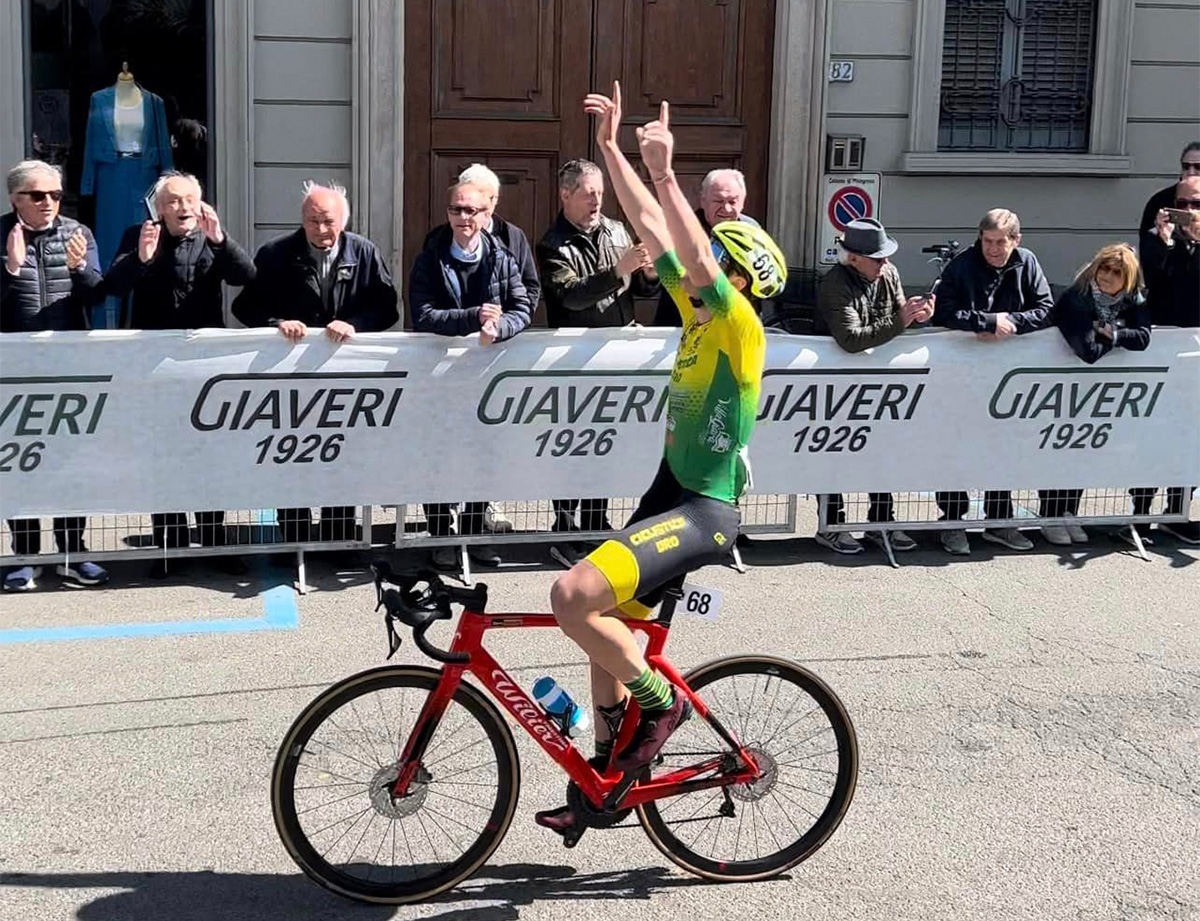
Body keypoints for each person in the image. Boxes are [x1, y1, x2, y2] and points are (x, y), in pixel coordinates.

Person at [535, 83, 787, 838]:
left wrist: (669, 172)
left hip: (704, 509)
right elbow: (650, 225)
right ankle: (605, 779)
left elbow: (686, 241)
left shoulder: (738, 324)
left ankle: (661, 704)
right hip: (668, 492)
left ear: (735, 279)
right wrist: (613, 151)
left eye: (709, 261)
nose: (690, 267)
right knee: (601, 630)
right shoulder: (698, 308)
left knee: (571, 597)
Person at [104, 170, 256, 577]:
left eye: (189, 199)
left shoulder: (210, 237)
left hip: (204, 368)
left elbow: (246, 276)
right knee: (164, 459)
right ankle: (170, 547)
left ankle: (214, 542)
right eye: (173, 201)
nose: (182, 207)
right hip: (155, 368)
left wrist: (221, 241)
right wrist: (141, 258)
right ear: (159, 208)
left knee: (211, 458)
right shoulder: (140, 235)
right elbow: (111, 286)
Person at [233, 181, 399, 544]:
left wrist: (355, 325)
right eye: (312, 220)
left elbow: (388, 308)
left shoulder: (365, 252)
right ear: (302, 219)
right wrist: (277, 323)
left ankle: (340, 538)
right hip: (291, 378)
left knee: (343, 453)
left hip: (345, 378)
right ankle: (294, 540)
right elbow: (243, 306)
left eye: (328, 221)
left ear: (343, 221)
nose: (320, 229)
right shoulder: (274, 253)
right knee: (291, 454)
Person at [537, 158, 658, 567]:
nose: (596, 201)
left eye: (601, 193)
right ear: (565, 195)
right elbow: (570, 297)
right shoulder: (553, 244)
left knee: (606, 442)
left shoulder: (617, 231)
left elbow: (638, 289)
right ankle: (566, 526)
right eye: (589, 193)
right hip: (575, 360)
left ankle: (596, 521)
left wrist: (648, 274)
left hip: (617, 357)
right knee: (573, 444)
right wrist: (618, 270)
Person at [409, 178, 533, 569]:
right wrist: (473, 317)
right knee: (439, 455)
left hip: (487, 376)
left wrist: (501, 328)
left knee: (484, 455)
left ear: (486, 214)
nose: (464, 217)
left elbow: (523, 307)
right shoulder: (429, 258)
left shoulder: (502, 257)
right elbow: (422, 315)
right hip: (440, 375)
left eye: (472, 210)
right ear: (447, 213)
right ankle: (441, 536)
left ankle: (475, 532)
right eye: (457, 209)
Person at [1, 160, 107, 591]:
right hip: (17, 369)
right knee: (21, 460)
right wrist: (10, 268)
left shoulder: (78, 233)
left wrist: (80, 269)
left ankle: (72, 553)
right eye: (38, 195)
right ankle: (25, 555)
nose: (49, 202)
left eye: (56, 195)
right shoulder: (1, 234)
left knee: (69, 462)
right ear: (16, 199)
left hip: (69, 367)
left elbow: (98, 294)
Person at [932, 208, 1054, 555]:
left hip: (1009, 375)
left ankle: (999, 519)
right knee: (957, 447)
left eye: (1001, 242)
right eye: (988, 241)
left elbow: (1046, 309)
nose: (993, 249)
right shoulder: (962, 265)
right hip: (963, 373)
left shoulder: (1027, 263)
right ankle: (952, 521)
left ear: (1016, 240)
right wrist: (985, 322)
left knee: (1003, 446)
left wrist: (1011, 323)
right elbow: (943, 311)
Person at [813, 218, 933, 555]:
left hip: (879, 380)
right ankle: (831, 524)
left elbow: (899, 316)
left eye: (885, 256)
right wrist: (902, 320)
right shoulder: (834, 284)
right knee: (833, 451)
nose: (885, 262)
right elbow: (851, 339)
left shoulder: (888, 273)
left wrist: (919, 315)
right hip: (836, 382)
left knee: (882, 450)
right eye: (877, 257)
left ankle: (882, 521)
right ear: (853, 258)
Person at [1040, 244, 1149, 546]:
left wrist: (1113, 334)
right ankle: (1050, 514)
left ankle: (1069, 512)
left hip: (1096, 394)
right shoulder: (1077, 297)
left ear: (1127, 278)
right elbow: (1087, 351)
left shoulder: (1133, 299)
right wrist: (1113, 337)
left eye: (1116, 272)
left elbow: (1143, 337)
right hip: (1059, 385)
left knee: (1082, 451)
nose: (1108, 276)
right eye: (1104, 268)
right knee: (1058, 450)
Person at [1134, 175, 1200, 544]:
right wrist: (1165, 242)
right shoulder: (1156, 238)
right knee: (1153, 433)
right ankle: (1139, 512)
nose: (1188, 211)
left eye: (1196, 205)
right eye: (1182, 204)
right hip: (1163, 349)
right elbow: (1152, 280)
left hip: (1195, 350)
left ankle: (1178, 510)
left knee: (1189, 435)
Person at [651, 168, 760, 327]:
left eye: (732, 202)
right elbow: (650, 285)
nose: (726, 208)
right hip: (682, 327)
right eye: (718, 201)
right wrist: (651, 274)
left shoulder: (752, 230)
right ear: (703, 201)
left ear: (742, 202)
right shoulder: (678, 230)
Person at [1138, 141, 1200, 289]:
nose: (1191, 172)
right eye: (1186, 167)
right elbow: (1149, 266)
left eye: (1198, 167)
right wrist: (1163, 240)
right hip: (1168, 291)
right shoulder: (1160, 201)